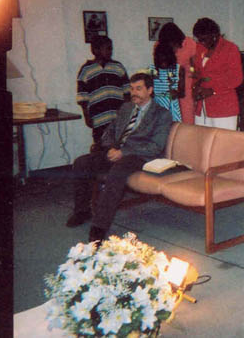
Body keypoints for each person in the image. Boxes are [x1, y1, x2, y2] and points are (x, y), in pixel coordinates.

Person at [66, 73, 173, 242]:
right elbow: (110, 131)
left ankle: (99, 226)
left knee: (117, 171)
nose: (134, 93)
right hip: (117, 151)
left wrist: (124, 152)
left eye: (139, 89)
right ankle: (82, 211)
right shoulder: (126, 108)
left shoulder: (161, 114)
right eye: (132, 88)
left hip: (140, 155)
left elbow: (156, 146)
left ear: (150, 90)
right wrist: (110, 147)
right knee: (81, 162)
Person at [76, 35, 130, 149]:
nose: (110, 51)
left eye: (111, 48)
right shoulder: (87, 69)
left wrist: (127, 112)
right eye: (107, 48)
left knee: (120, 144)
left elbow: (127, 91)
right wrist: (87, 116)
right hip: (99, 117)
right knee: (102, 146)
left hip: (118, 115)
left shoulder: (118, 66)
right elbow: (82, 97)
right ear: (95, 50)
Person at [191, 17, 243, 130]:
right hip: (202, 107)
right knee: (201, 139)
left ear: (214, 35)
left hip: (223, 107)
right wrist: (194, 87)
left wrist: (213, 90)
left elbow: (236, 78)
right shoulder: (199, 48)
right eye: (199, 39)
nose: (201, 43)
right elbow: (196, 72)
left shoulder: (230, 49)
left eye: (204, 39)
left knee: (223, 140)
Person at [157, 22, 196, 124]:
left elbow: (195, 68)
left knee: (186, 117)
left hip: (186, 85)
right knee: (167, 118)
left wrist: (190, 72)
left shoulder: (190, 44)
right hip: (166, 84)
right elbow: (158, 66)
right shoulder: (158, 45)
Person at [149, 42, 184, 122]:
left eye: (165, 59)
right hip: (157, 105)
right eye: (160, 59)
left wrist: (176, 93)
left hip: (172, 105)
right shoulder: (151, 70)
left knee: (173, 128)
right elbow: (148, 91)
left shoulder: (178, 69)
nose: (163, 62)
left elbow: (182, 93)